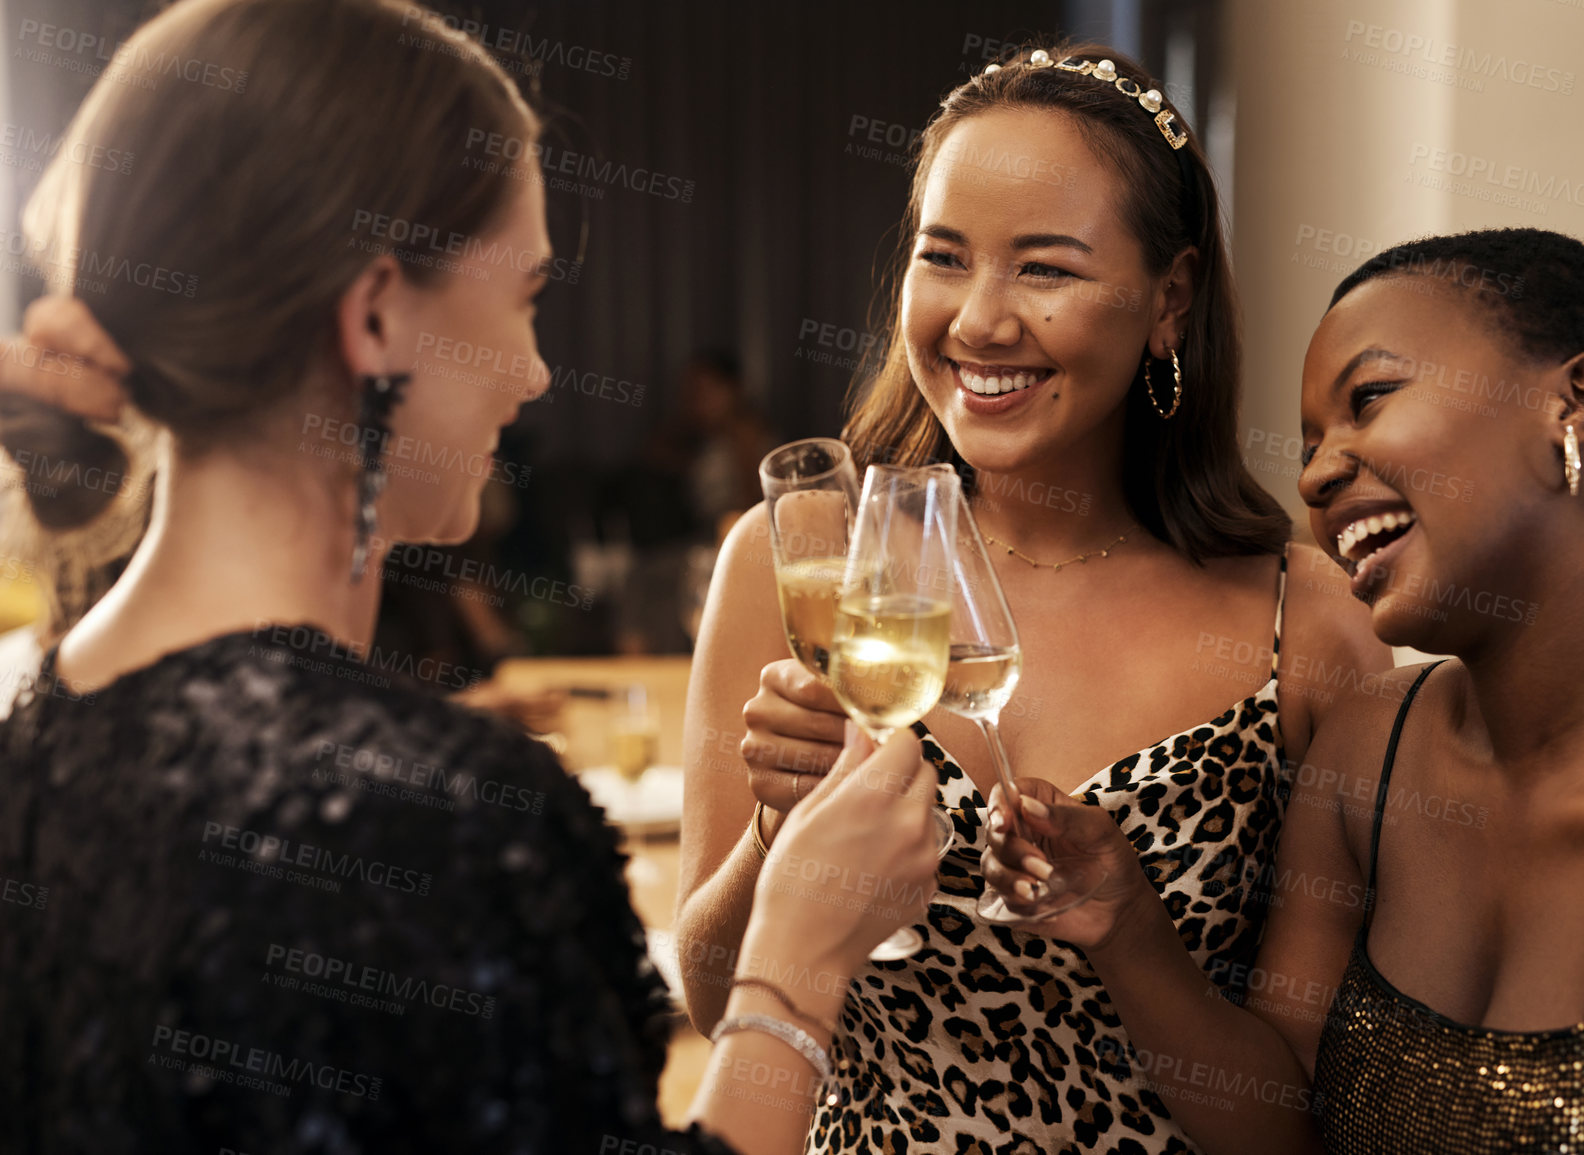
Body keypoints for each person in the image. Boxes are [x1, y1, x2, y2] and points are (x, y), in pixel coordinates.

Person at [0, 2, 942, 1152]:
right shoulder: (439, 829)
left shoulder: (33, 749)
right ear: (381, 315)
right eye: (527, 297)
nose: (539, 372)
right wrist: (797, 965)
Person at [676, 43, 1387, 1153]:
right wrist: (781, 826)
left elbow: (1291, 1129)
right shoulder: (797, 569)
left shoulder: (1312, 625)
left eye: (1045, 269)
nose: (979, 322)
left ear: (1171, 298)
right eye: (944, 258)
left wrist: (1134, 940)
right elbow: (720, 1007)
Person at [984, 227, 1584, 1152]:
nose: (1314, 472)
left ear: (1573, 400)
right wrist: (1129, 924)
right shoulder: (1368, 752)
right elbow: (1281, 1131)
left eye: (1368, 399)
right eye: (1308, 442)